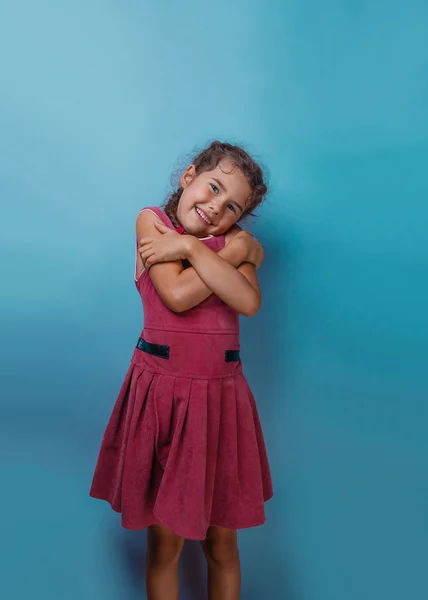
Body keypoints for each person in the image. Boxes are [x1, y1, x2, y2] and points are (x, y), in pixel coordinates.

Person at [90, 141, 273, 600]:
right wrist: (229, 251)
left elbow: (248, 302)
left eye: (231, 206)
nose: (215, 208)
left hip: (220, 403)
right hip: (165, 398)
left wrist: (192, 247)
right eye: (212, 188)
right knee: (164, 544)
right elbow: (175, 295)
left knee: (223, 544)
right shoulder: (152, 222)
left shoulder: (209, 242)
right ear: (188, 175)